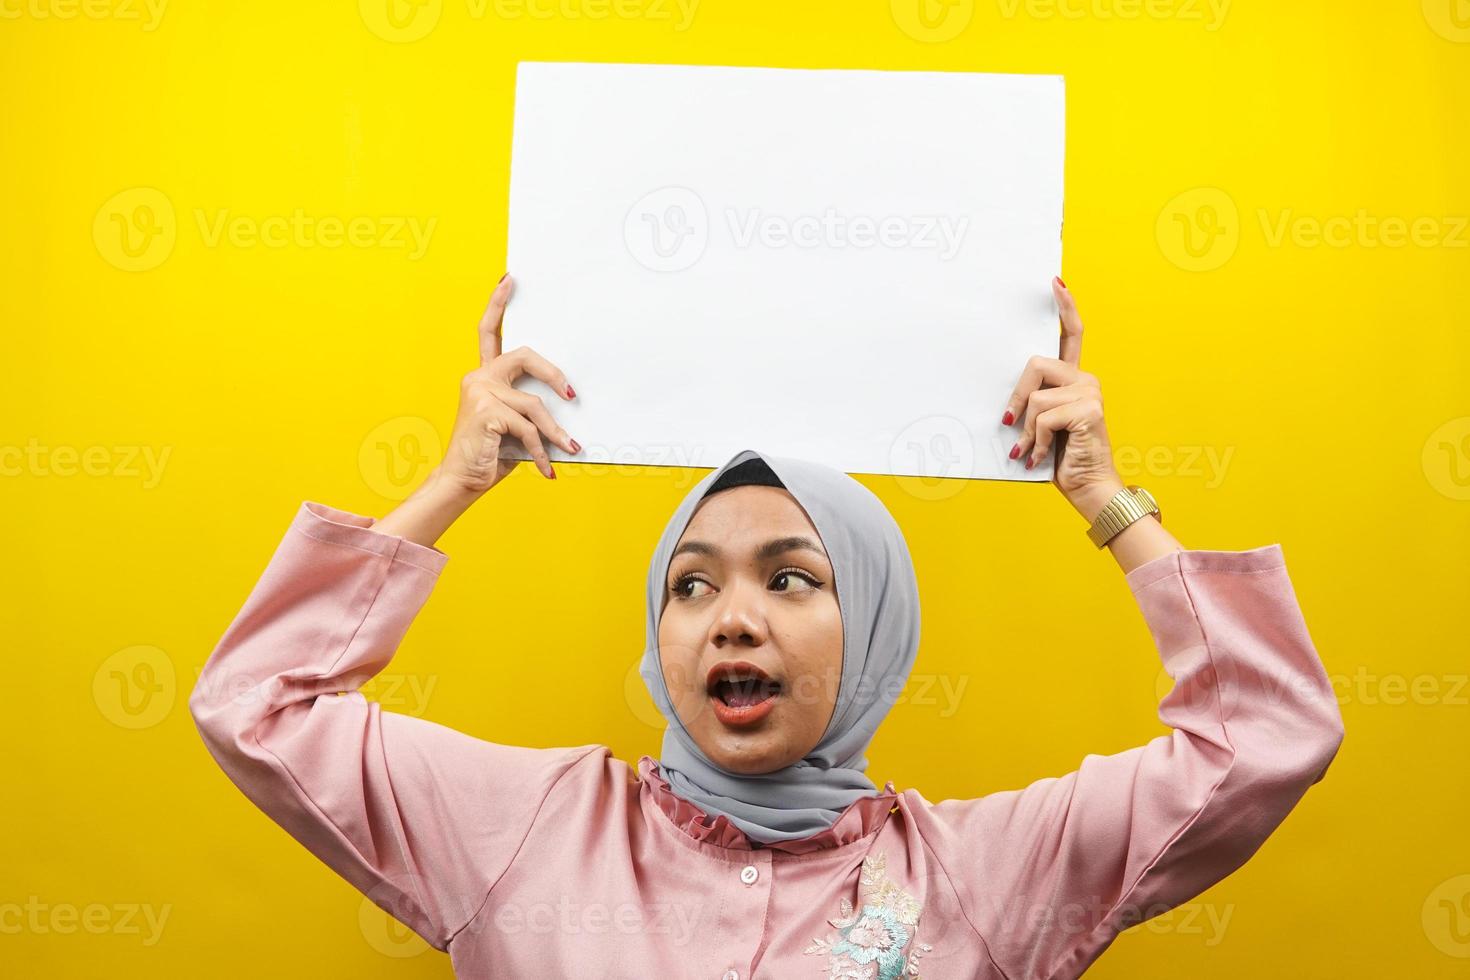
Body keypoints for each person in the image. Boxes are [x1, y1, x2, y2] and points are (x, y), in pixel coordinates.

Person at [190, 275, 1344, 979]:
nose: (729, 616)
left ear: (877, 628)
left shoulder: (986, 875)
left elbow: (1268, 738)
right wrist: (450, 485)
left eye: (792, 578)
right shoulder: (524, 831)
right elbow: (256, 703)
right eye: (689, 585)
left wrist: (1108, 502)